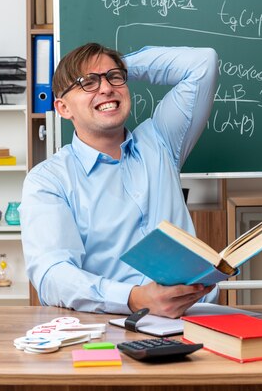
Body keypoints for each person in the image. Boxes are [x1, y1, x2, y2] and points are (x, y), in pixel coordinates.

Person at [20, 43, 219, 318]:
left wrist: (118, 67)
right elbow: (51, 275)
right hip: (113, 324)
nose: (105, 89)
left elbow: (203, 62)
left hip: (198, 318)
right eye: (87, 82)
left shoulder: (160, 142)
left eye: (114, 78)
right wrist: (133, 299)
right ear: (63, 108)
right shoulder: (49, 180)